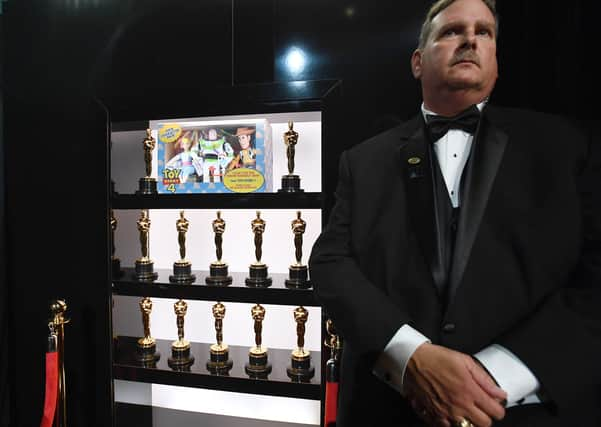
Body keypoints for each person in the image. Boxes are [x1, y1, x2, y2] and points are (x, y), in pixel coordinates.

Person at [308, 0, 601, 426]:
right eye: (451, 31)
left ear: (496, 60)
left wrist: (488, 377)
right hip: (388, 410)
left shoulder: (567, 146)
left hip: (531, 411)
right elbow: (330, 262)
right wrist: (412, 358)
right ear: (417, 61)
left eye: (484, 32)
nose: (469, 39)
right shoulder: (363, 160)